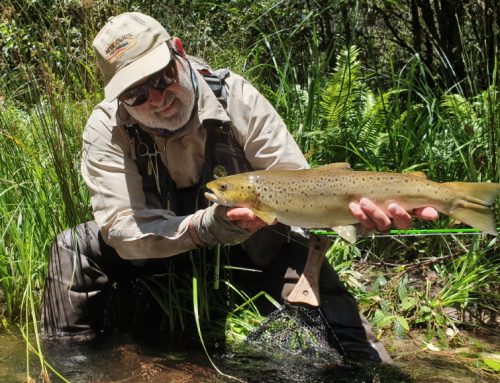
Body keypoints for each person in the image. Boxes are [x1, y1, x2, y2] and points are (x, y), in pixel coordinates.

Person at [41, 12, 438, 363]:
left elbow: (301, 186)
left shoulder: (236, 97)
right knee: (72, 249)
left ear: (179, 52)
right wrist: (204, 228)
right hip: (157, 252)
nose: (158, 99)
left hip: (254, 250)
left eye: (163, 78)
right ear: (118, 96)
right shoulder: (105, 127)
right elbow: (122, 229)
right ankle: (65, 365)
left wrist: (345, 213)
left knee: (355, 351)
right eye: (136, 93)